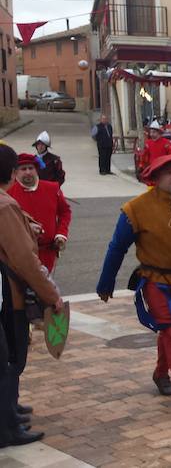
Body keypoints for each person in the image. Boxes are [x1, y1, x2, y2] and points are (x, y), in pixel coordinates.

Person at [96, 154, 171, 418]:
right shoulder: (136, 209)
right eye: (170, 173)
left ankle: (161, 373)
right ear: (155, 178)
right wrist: (106, 283)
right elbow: (117, 247)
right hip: (156, 283)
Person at [0, 143, 65, 447]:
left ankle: (10, 411)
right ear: (11, 173)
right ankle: (7, 427)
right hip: (7, 295)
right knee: (11, 359)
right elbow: (25, 260)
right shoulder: (5, 205)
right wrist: (51, 295)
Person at [7, 154, 72, 272]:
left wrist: (61, 234)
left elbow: (65, 212)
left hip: (49, 254)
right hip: (22, 257)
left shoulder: (52, 188)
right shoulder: (8, 194)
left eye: (31, 168)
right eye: (23, 169)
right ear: (16, 172)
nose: (27, 172)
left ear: (36, 169)